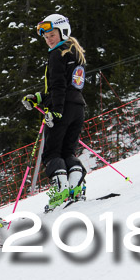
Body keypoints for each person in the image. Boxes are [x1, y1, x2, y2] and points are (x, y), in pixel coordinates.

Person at [22, 13, 87, 211]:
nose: (49, 39)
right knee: (67, 151)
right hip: (78, 107)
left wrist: (56, 111)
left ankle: (59, 192)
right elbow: (66, 86)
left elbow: (58, 86)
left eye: (52, 34)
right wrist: (39, 98)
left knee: (51, 153)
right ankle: (76, 186)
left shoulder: (56, 55)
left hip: (63, 108)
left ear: (63, 31)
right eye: (46, 36)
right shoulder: (74, 52)